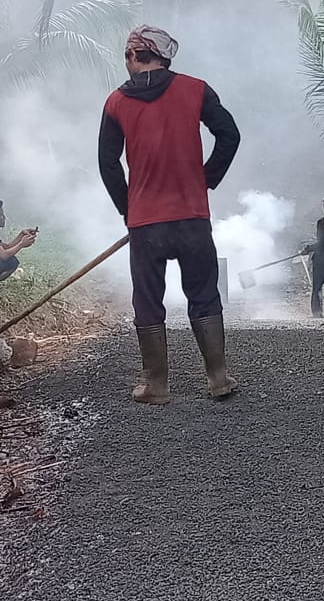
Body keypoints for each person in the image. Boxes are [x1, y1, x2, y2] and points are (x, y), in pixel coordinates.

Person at [98, 24, 241, 404]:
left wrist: (129, 209)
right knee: (204, 292)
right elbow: (229, 135)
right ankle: (218, 378)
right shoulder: (196, 89)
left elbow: (108, 163)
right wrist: (206, 179)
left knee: (148, 299)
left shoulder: (116, 103)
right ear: (163, 57)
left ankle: (156, 385)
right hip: (192, 216)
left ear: (134, 56)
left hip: (146, 223)